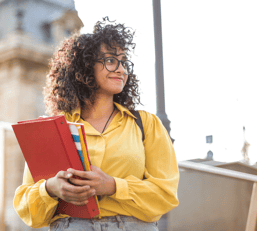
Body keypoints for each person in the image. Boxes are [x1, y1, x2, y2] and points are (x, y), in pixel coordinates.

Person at [14, 17, 179, 230]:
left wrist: (112, 186)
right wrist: (50, 189)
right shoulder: (53, 129)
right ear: (85, 66)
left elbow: (166, 195)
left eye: (124, 62)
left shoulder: (146, 124)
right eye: (111, 60)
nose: (121, 69)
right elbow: (27, 209)